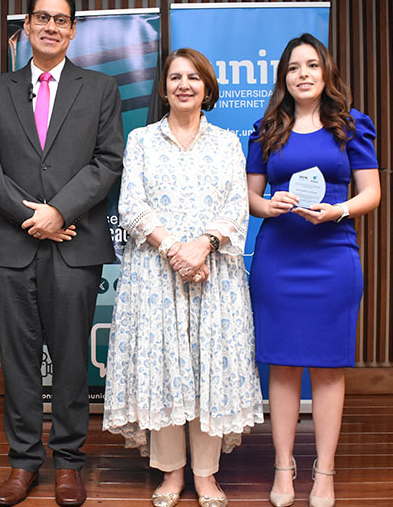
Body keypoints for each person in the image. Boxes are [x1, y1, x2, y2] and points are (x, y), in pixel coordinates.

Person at [0, 0, 124, 507]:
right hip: (11, 247)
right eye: (43, 18)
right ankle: (22, 463)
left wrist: (59, 211)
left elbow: (107, 162)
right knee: (17, 361)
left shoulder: (101, 88)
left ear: (74, 30)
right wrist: (30, 215)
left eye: (62, 20)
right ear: (28, 27)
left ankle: (69, 465)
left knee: (71, 360)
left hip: (73, 243)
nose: (52, 27)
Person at [103, 48, 265, 507]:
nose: (184, 85)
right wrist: (175, 249)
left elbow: (237, 207)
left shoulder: (226, 143)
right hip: (156, 275)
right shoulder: (141, 140)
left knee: (208, 371)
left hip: (215, 276)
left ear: (207, 88)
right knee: (165, 371)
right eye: (175, 77)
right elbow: (131, 206)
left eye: (194, 77)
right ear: (164, 87)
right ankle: (172, 474)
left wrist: (204, 246)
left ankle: (207, 474)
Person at [245, 33, 381, 507]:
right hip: (279, 258)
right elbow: (250, 198)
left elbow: (371, 193)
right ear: (283, 78)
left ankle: (324, 472)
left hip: (333, 257)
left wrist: (338, 210)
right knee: (281, 367)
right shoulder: (267, 129)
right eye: (293, 68)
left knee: (327, 369)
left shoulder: (352, 126)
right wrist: (269, 204)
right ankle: (284, 466)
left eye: (311, 66)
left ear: (326, 73)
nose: (302, 75)